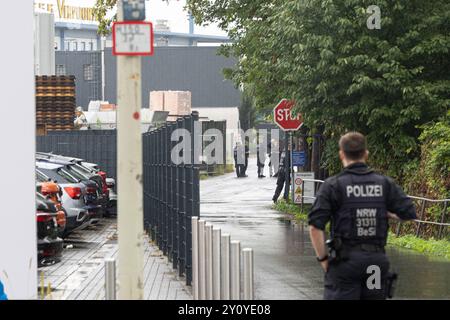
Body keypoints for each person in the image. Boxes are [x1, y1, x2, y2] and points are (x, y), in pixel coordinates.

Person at [308, 132, 417, 300]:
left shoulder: (333, 186)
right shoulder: (384, 184)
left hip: (345, 262)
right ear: (366, 153)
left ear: (341, 154)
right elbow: (409, 212)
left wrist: (323, 259)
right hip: (375, 262)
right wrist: (386, 213)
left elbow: (315, 226)